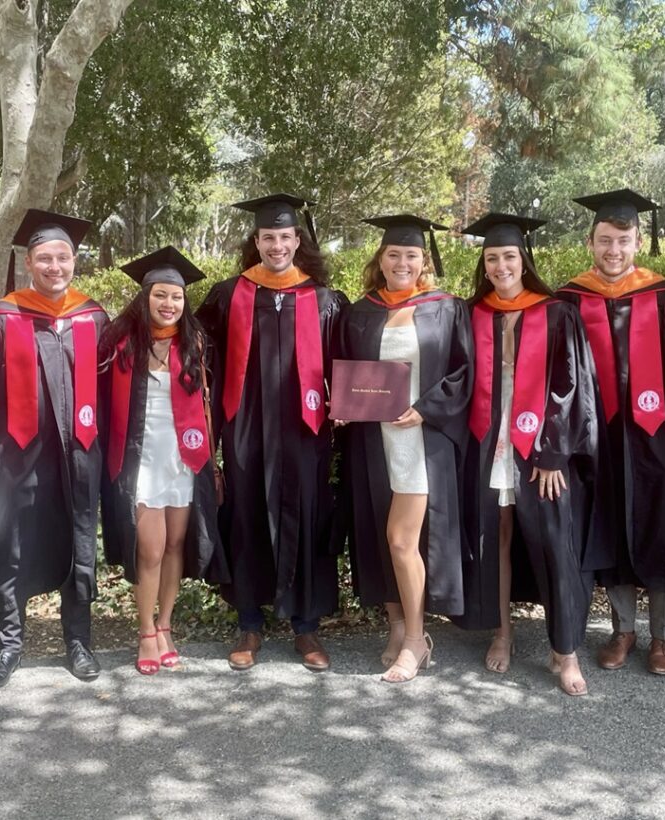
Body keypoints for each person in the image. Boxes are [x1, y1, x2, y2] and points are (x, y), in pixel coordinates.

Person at [454, 212, 607, 695]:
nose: (501, 266)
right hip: (489, 446)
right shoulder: (471, 312)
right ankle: (503, 631)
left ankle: (565, 650)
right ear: (484, 262)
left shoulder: (556, 312)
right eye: (492, 257)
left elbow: (572, 386)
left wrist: (554, 453)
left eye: (509, 257)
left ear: (524, 259)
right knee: (496, 538)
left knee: (553, 544)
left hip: (540, 451)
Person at [195, 193, 348, 672]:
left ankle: (305, 626)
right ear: (256, 242)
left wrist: (349, 401)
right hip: (246, 429)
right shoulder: (229, 294)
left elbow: (348, 363)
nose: (277, 245)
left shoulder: (323, 299)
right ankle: (249, 622)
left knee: (305, 514)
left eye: (284, 237)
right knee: (246, 517)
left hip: (305, 432)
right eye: (268, 237)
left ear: (297, 241)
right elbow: (194, 350)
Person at [0, 209, 110, 691]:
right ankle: (9, 645)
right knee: (12, 542)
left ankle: (79, 641)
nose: (55, 267)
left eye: (63, 258)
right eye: (45, 258)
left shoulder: (92, 315)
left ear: (75, 261)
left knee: (78, 538)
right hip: (17, 453)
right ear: (29, 262)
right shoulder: (2, 316)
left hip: (78, 452)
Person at [333, 214, 474, 683]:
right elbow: (348, 371)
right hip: (373, 438)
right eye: (394, 254)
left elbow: (464, 372)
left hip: (420, 438)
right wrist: (342, 404)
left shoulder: (447, 308)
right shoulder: (362, 310)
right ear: (381, 258)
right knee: (378, 534)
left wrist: (427, 408)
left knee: (401, 539)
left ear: (424, 260)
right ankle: (396, 626)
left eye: (411, 255)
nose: (402, 262)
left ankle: (417, 639)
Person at [555, 189, 665, 676]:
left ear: (637, 242)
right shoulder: (570, 298)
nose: (614, 250)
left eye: (623, 241)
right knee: (610, 526)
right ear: (591, 242)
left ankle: (663, 638)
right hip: (602, 438)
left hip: (658, 436)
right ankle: (622, 630)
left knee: (660, 527)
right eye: (605, 241)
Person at [98, 246, 229, 675]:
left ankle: (167, 625)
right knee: (150, 548)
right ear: (145, 296)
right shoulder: (119, 342)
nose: (169, 304)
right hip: (139, 457)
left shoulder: (196, 343)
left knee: (175, 543)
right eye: (160, 295)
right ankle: (145, 631)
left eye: (176, 296)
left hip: (183, 456)